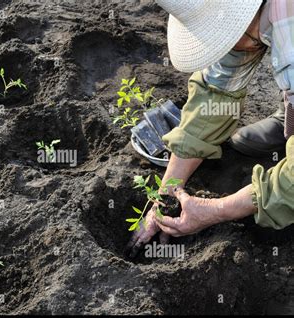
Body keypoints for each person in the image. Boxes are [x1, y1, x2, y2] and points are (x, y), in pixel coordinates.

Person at [126, 0, 294, 258]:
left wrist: (218, 210)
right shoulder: (246, 15)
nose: (216, 43)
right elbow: (216, 92)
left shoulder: (289, 30)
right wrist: (168, 190)